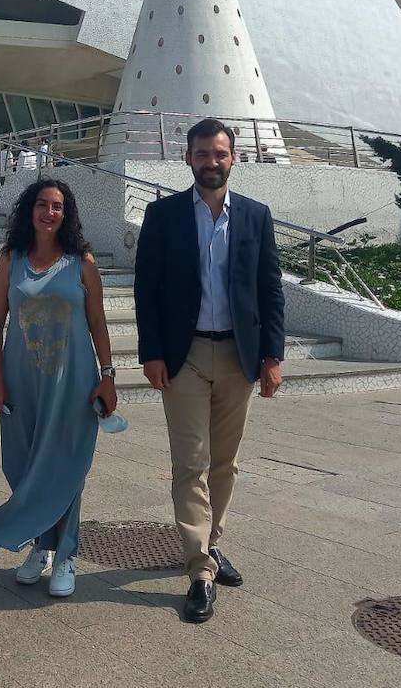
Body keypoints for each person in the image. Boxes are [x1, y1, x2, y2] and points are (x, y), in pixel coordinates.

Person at [134, 117, 285, 624]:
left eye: (220, 154)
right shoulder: (164, 215)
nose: (211, 162)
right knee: (191, 462)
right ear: (188, 159)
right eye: (202, 154)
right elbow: (146, 289)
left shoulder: (255, 217)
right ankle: (200, 569)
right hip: (186, 355)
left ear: (233, 159)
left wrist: (272, 356)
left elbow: (270, 290)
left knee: (226, 464)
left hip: (239, 356)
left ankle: (211, 545)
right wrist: (152, 352)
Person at [0, 179, 118, 598]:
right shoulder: (11, 259)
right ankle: (41, 542)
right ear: (29, 211)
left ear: (66, 214)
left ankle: (65, 552)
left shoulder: (81, 262)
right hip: (21, 378)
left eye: (57, 206)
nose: (49, 213)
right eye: (42, 205)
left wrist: (107, 375)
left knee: (64, 465)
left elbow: (98, 323)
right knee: (21, 463)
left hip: (72, 380)